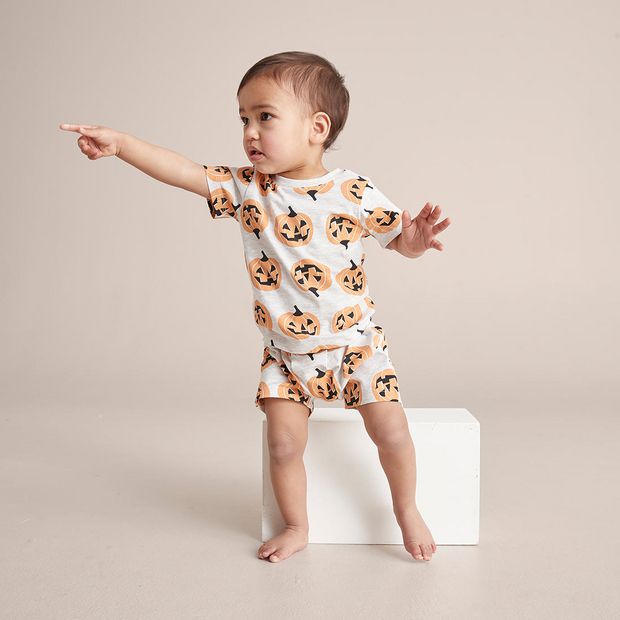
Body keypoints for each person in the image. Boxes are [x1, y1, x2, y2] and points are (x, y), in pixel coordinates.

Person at [60, 50, 451, 564]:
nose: (249, 132)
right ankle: (297, 525)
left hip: (355, 346)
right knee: (283, 447)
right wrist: (122, 145)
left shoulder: (352, 190)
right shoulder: (249, 189)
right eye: (243, 118)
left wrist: (415, 241)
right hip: (286, 355)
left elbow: (398, 239)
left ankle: (406, 509)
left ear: (316, 128)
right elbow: (184, 172)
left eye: (264, 117)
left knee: (392, 432)